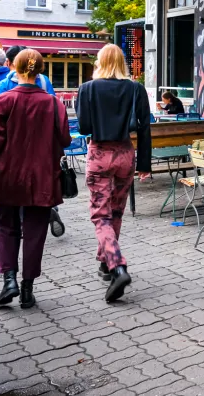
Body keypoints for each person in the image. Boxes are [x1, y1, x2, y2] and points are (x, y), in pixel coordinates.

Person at [0, 49, 71, 309]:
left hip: (7, 176)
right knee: (35, 231)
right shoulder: (53, 104)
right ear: (40, 71)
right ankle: (28, 290)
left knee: (6, 227)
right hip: (41, 176)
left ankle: (9, 281)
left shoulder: (2, 101)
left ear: (13, 68)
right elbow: (65, 140)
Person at [76, 44, 152, 303]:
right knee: (116, 212)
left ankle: (118, 266)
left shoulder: (87, 89)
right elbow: (145, 128)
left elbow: (85, 126)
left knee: (101, 216)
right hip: (125, 154)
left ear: (100, 62)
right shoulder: (136, 89)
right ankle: (105, 263)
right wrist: (145, 165)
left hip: (99, 154)